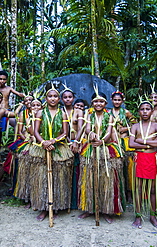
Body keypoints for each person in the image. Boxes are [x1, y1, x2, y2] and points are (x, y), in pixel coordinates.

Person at [78, 91, 125, 224]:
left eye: (101, 101)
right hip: (91, 148)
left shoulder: (109, 116)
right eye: (96, 102)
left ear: (105, 103)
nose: (98, 104)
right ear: (92, 104)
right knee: (89, 179)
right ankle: (89, 208)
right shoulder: (89, 115)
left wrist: (102, 141)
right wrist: (91, 133)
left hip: (106, 149)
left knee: (107, 180)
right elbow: (87, 129)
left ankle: (106, 210)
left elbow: (109, 132)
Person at [29, 85, 74, 221]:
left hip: (58, 147)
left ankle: (55, 206)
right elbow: (35, 131)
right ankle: (43, 208)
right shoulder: (40, 113)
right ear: (46, 98)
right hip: (42, 148)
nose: (53, 99)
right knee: (42, 178)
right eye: (50, 96)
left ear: (59, 99)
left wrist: (53, 141)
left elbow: (65, 133)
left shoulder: (63, 113)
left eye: (55, 96)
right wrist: (43, 142)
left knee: (58, 178)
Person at [129, 99, 157, 229]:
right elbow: (131, 144)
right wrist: (151, 142)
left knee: (153, 189)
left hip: (152, 158)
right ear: (138, 112)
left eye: (147, 109)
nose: (145, 112)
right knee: (138, 189)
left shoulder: (156, 126)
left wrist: (142, 141)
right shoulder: (135, 126)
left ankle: (153, 216)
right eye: (142, 109)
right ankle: (138, 216)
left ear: (152, 111)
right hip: (140, 158)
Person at [109, 91, 136, 203]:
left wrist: (126, 129)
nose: (117, 102)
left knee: (128, 166)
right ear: (111, 100)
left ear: (122, 101)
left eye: (119, 100)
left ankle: (129, 193)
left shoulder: (126, 112)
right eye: (115, 100)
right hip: (113, 142)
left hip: (125, 141)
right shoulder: (108, 112)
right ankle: (118, 193)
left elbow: (135, 124)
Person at [61, 87, 84, 209]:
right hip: (64, 143)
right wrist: (68, 142)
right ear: (62, 99)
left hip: (77, 143)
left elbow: (80, 128)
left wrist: (76, 142)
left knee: (77, 172)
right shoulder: (60, 112)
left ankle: (77, 201)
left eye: (70, 97)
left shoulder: (78, 112)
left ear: (73, 98)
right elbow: (61, 130)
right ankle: (65, 200)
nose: (67, 99)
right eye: (65, 97)